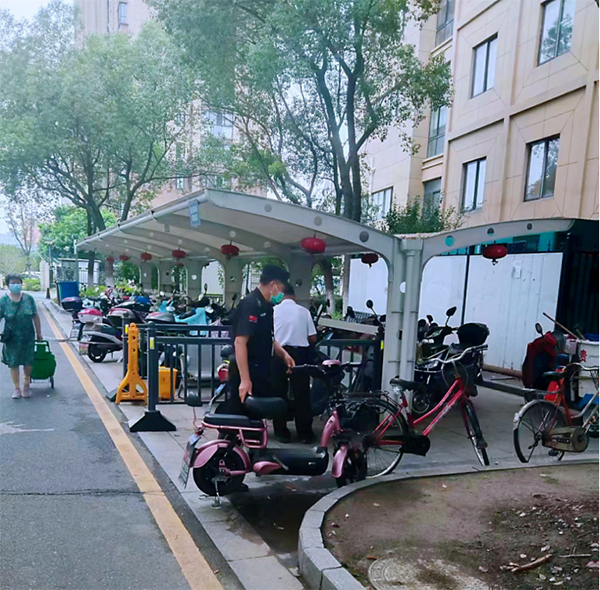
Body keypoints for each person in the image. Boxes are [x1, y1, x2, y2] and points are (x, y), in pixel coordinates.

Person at [228, 265, 295, 442]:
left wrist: (284, 354)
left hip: (260, 372)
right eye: (281, 289)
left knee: (254, 424)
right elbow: (240, 342)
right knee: (238, 422)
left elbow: (269, 338)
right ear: (273, 285)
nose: (281, 294)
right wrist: (245, 380)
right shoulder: (251, 304)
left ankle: (251, 454)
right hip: (246, 372)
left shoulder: (267, 306)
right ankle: (225, 453)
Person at [273, 283, 318, 444]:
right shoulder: (304, 312)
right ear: (294, 296)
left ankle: (281, 432)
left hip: (279, 354)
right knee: (302, 394)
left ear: (280, 295)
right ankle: (304, 433)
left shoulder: (273, 311)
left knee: (279, 393)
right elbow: (312, 337)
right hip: (300, 355)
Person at [0, 274, 43, 399]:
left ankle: (26, 383)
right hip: (11, 338)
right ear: (8, 285)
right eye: (13, 283)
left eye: (18, 282)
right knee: (13, 363)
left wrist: (39, 333)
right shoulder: (3, 301)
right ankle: (16, 388)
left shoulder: (28, 299)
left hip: (28, 336)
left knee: (28, 362)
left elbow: (35, 316)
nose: (16, 285)